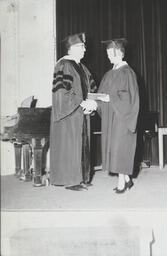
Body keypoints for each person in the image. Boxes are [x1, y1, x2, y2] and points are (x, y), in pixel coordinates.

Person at [50, 32, 97, 191]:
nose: (84, 49)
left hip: (81, 113)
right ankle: (71, 180)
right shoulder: (64, 65)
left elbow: (91, 89)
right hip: (69, 115)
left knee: (83, 144)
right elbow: (61, 92)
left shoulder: (83, 68)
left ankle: (81, 177)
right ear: (70, 49)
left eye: (84, 46)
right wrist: (81, 103)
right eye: (80, 46)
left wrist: (93, 102)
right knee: (71, 145)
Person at [96, 38, 140, 193]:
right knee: (114, 149)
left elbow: (130, 99)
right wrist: (95, 103)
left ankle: (122, 181)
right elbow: (102, 94)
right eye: (107, 54)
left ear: (121, 53)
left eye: (111, 53)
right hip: (111, 118)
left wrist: (111, 98)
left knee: (120, 148)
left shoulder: (128, 73)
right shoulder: (109, 74)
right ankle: (127, 179)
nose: (109, 57)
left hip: (122, 118)